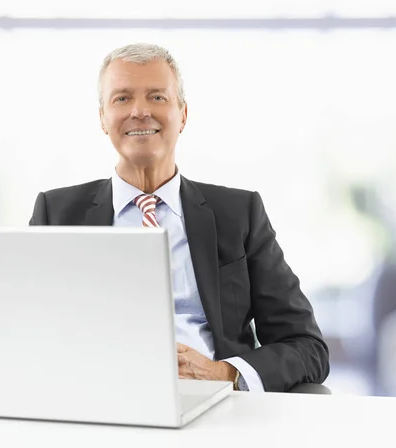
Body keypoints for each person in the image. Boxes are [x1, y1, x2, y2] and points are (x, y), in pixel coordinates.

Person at [29, 43, 329, 392]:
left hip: (214, 402)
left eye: (157, 97)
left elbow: (307, 348)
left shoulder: (239, 213)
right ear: (102, 118)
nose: (140, 111)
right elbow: (30, 333)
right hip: (98, 396)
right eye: (122, 98)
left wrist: (225, 375)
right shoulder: (57, 214)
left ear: (183, 114)